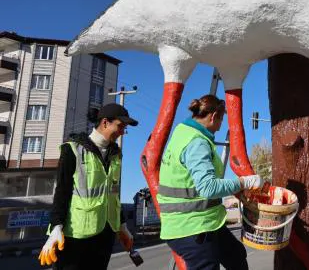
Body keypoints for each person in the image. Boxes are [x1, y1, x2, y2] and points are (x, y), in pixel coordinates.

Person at [159, 94, 262, 270]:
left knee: (235, 255)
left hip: (203, 222)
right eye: (221, 121)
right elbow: (208, 187)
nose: (220, 126)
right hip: (192, 227)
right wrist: (243, 182)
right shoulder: (197, 142)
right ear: (213, 116)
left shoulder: (182, 132)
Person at [40, 103, 137, 269]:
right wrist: (56, 227)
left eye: (124, 128)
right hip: (76, 236)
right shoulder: (72, 150)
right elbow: (62, 193)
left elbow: (113, 195)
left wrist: (122, 227)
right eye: (120, 126)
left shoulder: (116, 155)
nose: (122, 132)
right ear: (105, 122)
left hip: (105, 236)